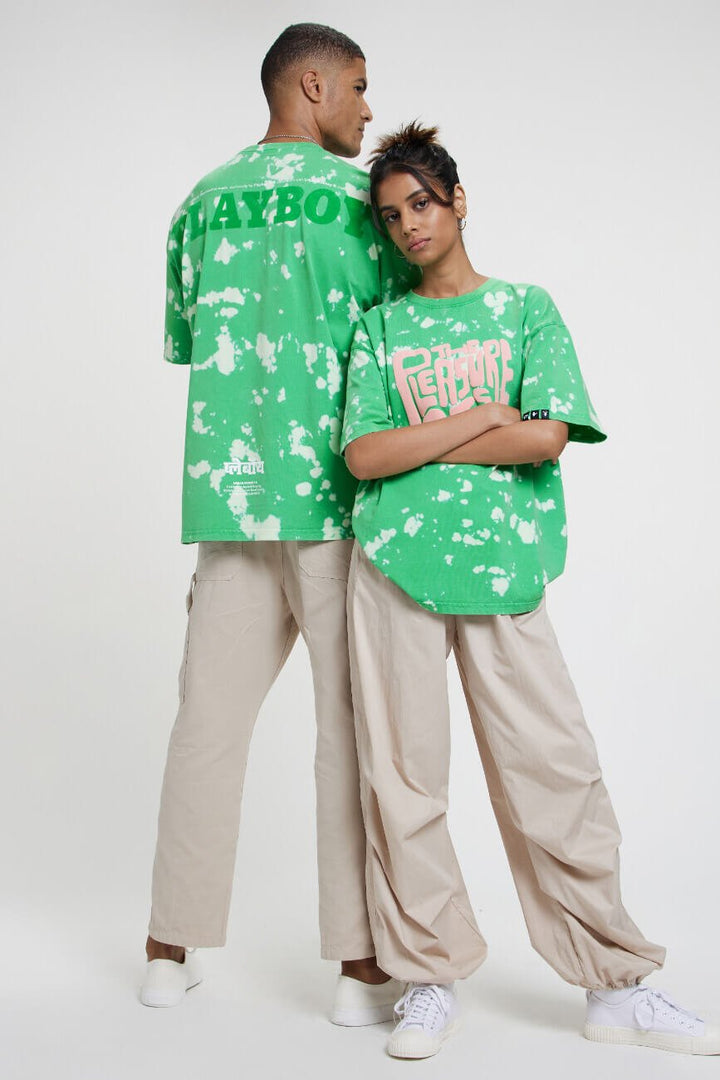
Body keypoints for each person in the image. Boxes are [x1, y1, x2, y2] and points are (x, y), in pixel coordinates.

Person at [341, 122, 718, 1059]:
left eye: (422, 203)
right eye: (390, 216)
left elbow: (545, 436)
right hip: (392, 564)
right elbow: (364, 456)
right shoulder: (380, 327)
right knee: (404, 782)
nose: (408, 225)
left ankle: (615, 987)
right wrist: (478, 416)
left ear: (458, 201)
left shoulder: (523, 310)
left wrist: (428, 441)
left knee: (555, 771)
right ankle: (428, 979)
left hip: (505, 567)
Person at [140, 24, 414, 1022]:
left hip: (230, 502)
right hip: (338, 504)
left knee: (204, 730)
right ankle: (359, 972)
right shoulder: (363, 206)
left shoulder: (199, 203)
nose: (369, 110)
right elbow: (403, 341)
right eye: (359, 88)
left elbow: (189, 341)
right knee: (350, 733)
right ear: (312, 83)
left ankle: (167, 953)